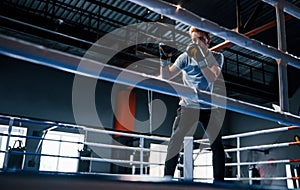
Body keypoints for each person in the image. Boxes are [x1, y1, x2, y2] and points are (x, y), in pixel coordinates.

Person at [159, 26, 225, 182]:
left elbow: (212, 77)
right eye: (194, 39)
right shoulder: (185, 58)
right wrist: (164, 59)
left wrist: (201, 59)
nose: (197, 43)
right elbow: (166, 77)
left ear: (208, 40)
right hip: (187, 106)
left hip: (208, 107)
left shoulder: (216, 56)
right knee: (175, 142)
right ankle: (166, 181)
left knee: (217, 145)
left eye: (201, 39)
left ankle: (219, 183)